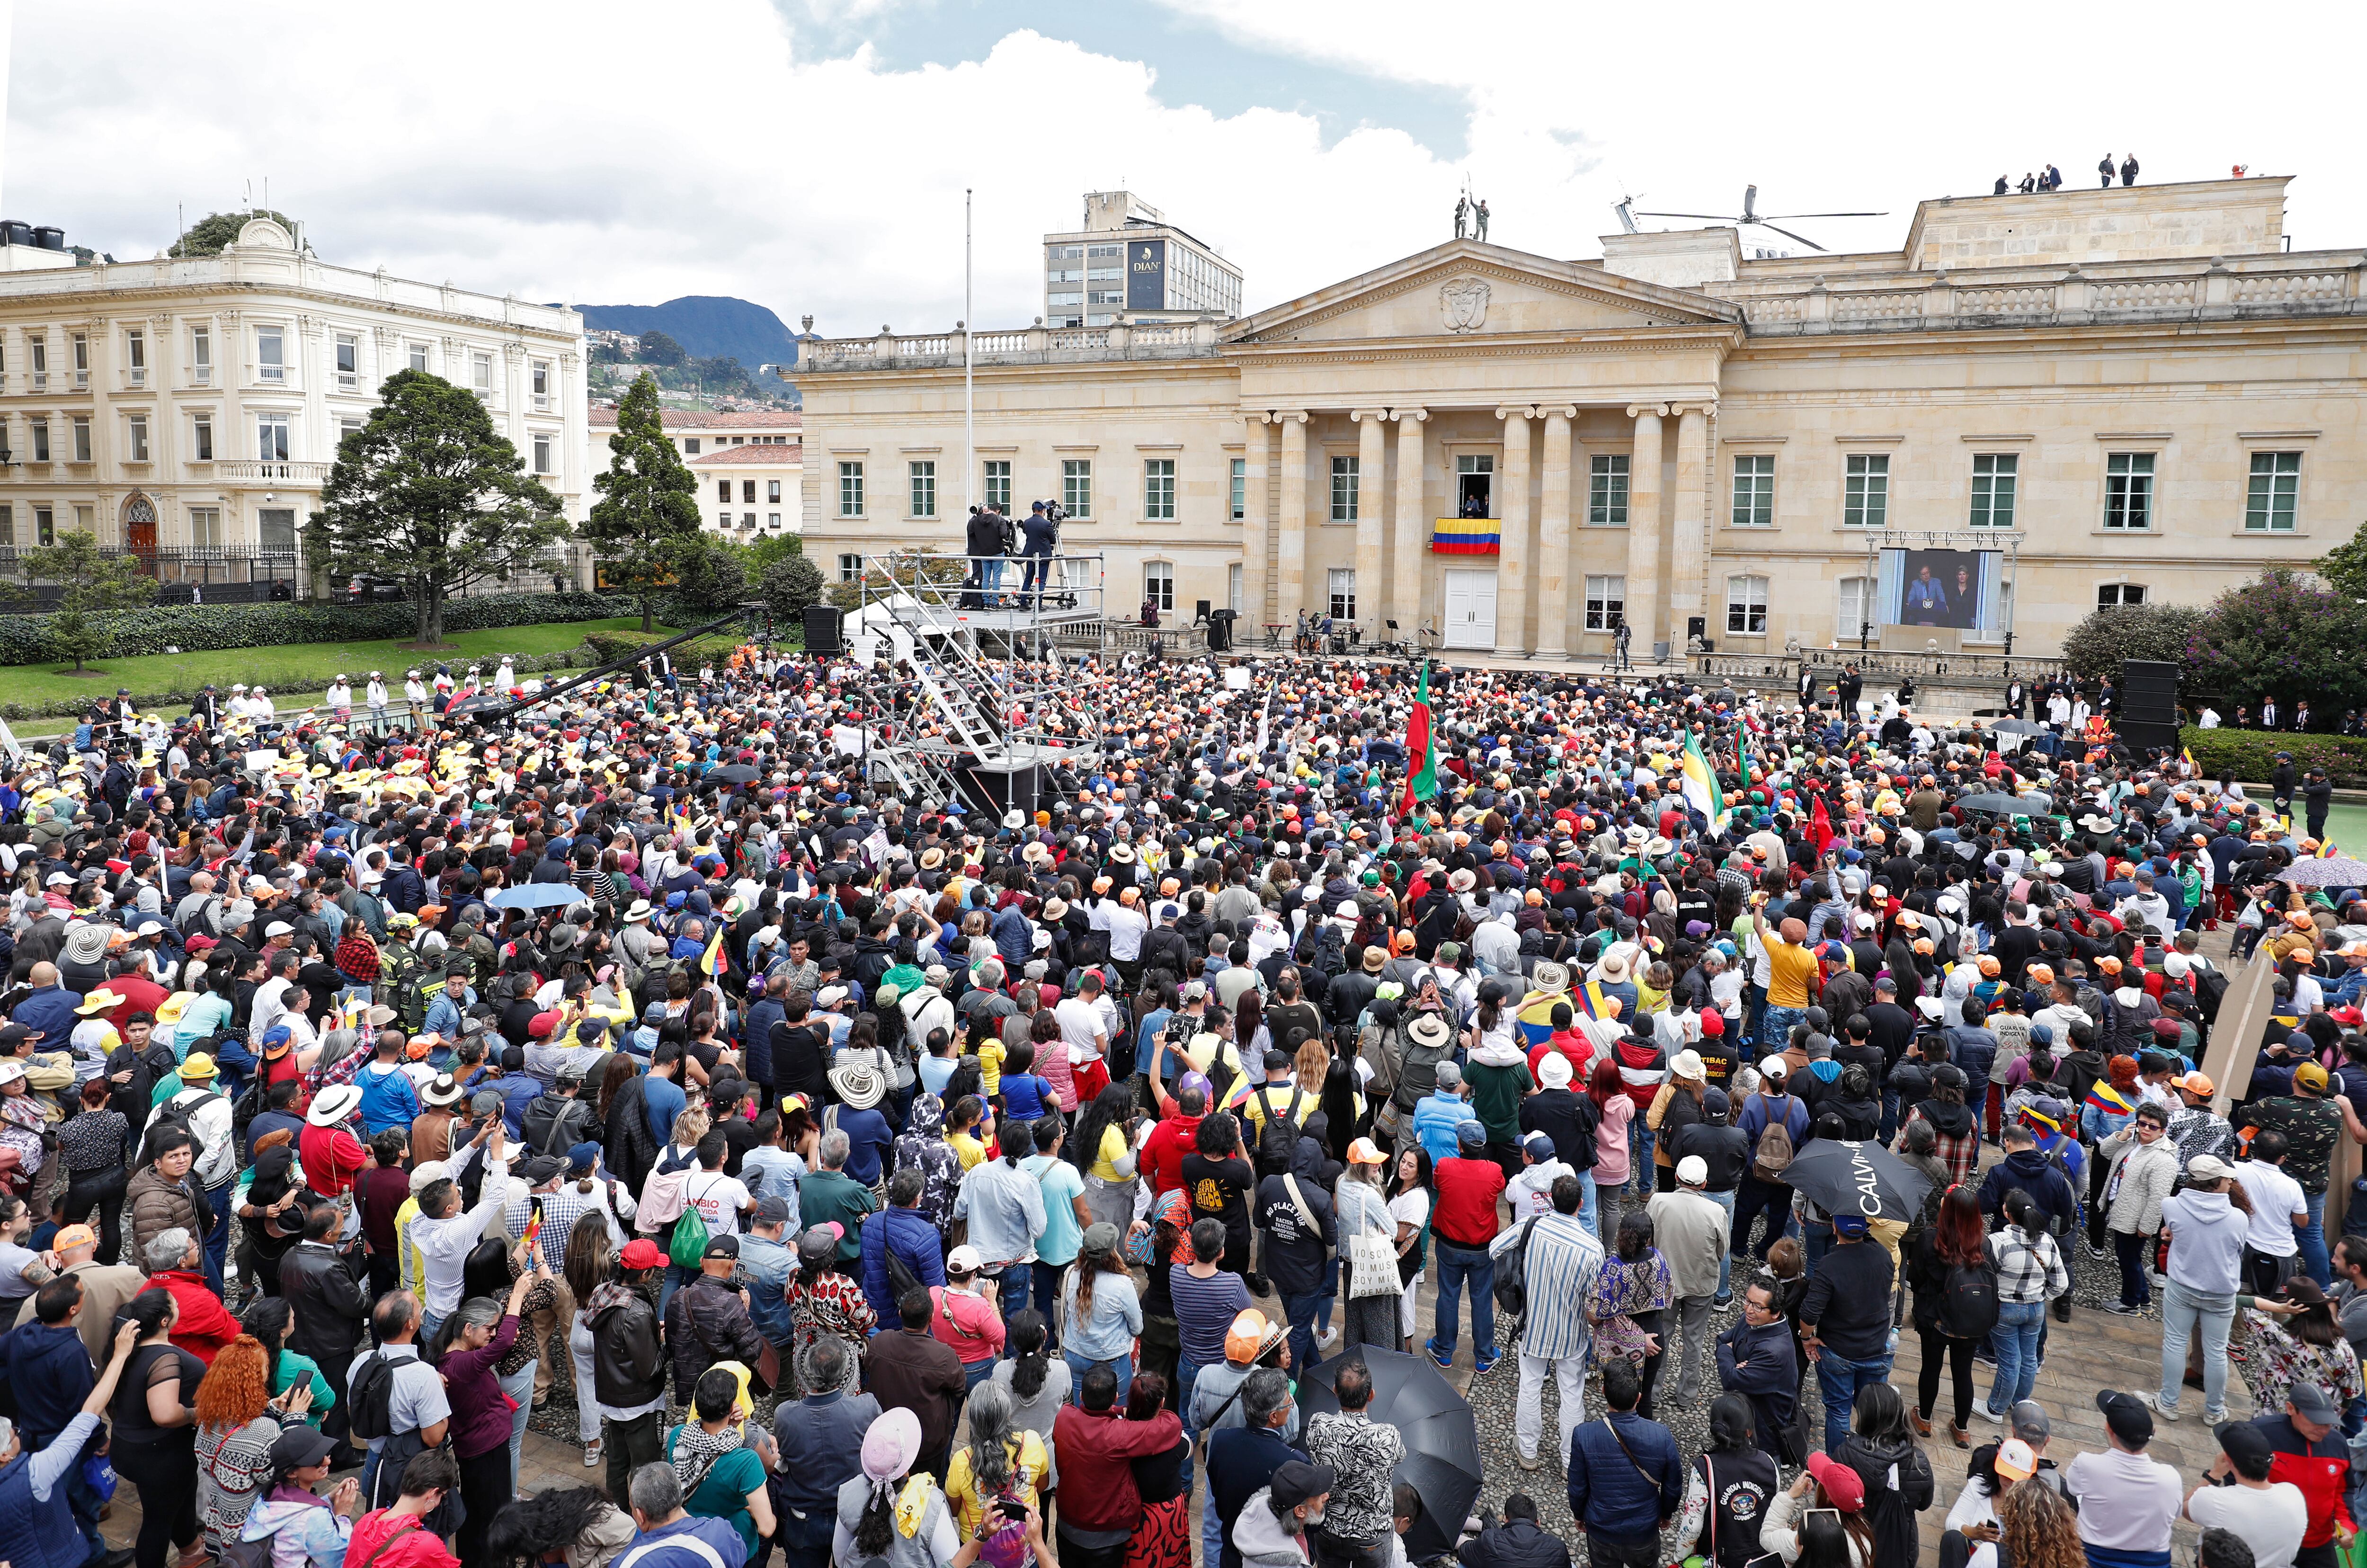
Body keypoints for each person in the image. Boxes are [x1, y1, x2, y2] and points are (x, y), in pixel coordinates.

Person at [0, 1318, 143, 1568]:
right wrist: (120, 1356)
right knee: (83, 1501)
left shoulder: (18, 1339)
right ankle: (97, 1556)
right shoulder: (36, 1473)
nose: (16, 1432)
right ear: (4, 1456)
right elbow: (89, 1411)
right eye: (13, 1436)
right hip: (60, 1560)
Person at [107, 1288, 209, 1568]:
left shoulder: (127, 1352)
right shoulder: (164, 1358)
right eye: (175, 1304)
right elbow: (165, 1414)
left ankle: (191, 1549)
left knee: (182, 1498)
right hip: (160, 1455)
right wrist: (195, 1414)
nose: (179, 1306)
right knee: (158, 1520)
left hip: (136, 1446)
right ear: (165, 1320)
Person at [1051, 1362, 1182, 1568]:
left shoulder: (1064, 1418)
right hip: (1107, 1539)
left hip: (1067, 1526)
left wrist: (1122, 1411)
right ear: (1114, 1398)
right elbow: (1172, 1426)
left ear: (1082, 1397)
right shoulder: (1120, 1434)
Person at [2152, 1152, 2247, 1424]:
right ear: (2217, 1182)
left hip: (2183, 1284)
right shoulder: (2238, 1217)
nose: (2231, 1183)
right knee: (2217, 1350)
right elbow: (2239, 1249)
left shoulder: (2171, 1205)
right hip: (2221, 1290)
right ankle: (2214, 1411)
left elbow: (2175, 1232)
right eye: (2228, 1179)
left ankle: (2168, 1402)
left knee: (2175, 1341)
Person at [1565, 1358, 1682, 1568]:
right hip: (1643, 1530)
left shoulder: (1584, 1435)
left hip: (1601, 1529)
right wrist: (1666, 1514)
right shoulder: (1661, 1435)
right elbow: (1673, 1486)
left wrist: (1579, 1515)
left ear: (1603, 1392)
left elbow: (1577, 1486)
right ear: (1639, 1397)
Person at [1907, 1185, 1989, 1448]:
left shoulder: (1930, 1239)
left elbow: (1915, 1277)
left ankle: (1925, 1419)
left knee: (1931, 1368)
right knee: (1963, 1373)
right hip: (1969, 1320)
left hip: (1935, 1318)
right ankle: (1962, 1429)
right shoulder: (1983, 1244)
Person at [666, 1365, 778, 1558]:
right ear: (732, 1405)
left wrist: (731, 1426)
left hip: (692, 1539)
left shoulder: (678, 1437)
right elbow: (767, 1528)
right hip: (732, 1546)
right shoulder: (745, 1462)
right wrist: (753, 1512)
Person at [1302, 1358, 1404, 1568]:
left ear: (1335, 1391)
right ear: (1371, 1395)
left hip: (1329, 1526)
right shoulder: (1387, 1436)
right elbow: (1400, 1456)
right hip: (1372, 1535)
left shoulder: (1318, 1425)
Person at [2064, 1391, 2184, 1568]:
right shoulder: (2171, 1478)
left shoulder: (2087, 1465)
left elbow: (2073, 1489)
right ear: (2153, 1432)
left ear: (2108, 1429)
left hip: (2092, 1560)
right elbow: (2176, 1513)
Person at [1646, 1155, 1727, 1408]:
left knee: (1661, 1338)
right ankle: (1687, 1396)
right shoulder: (1717, 1211)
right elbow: (1722, 1251)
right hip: (1701, 1285)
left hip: (1665, 1285)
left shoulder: (1658, 1201)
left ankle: (1653, 1394)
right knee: (1694, 1340)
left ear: (1677, 1178)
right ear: (1704, 1184)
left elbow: (1647, 1240)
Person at [1980, 1188, 2068, 1422]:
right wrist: (2042, 1296)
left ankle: (1995, 1409)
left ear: (2006, 1212)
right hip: (2036, 1308)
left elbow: (1986, 1277)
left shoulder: (1998, 1242)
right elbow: (2061, 1283)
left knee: (2009, 1361)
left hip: (2005, 1308)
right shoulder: (2048, 1241)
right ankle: (2018, 1402)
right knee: (2029, 1359)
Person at [1426, 1122, 1506, 1373]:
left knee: (1448, 1296)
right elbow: (1501, 1188)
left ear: (1459, 1145)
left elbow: (1438, 1185)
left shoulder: (1445, 1167)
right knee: (1482, 1300)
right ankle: (1484, 1355)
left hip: (1449, 1244)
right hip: (1482, 1247)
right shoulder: (1494, 1171)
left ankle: (1444, 1349)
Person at [868, 1287, 969, 1484]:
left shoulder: (880, 1342)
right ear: (931, 1318)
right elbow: (959, 1388)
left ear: (900, 1314)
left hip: (887, 1440)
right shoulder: (944, 1357)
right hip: (926, 1446)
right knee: (928, 1495)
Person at [1829, 1383, 1932, 1568]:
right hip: (1900, 1546)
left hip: (1856, 1544)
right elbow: (1924, 1504)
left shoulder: (1845, 1455)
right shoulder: (1919, 1460)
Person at [2184, 1418, 2308, 1568]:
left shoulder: (2215, 1500)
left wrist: (2215, 1474)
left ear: (2228, 1460)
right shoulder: (2294, 1494)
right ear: (2273, 1460)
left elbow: (2184, 1507)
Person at [237, 1425, 364, 1568]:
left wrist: (329, 1499)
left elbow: (298, 1519)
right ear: (291, 1473)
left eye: (326, 1453)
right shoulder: (314, 1517)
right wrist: (343, 1516)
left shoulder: (270, 1494)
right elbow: (340, 1561)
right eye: (316, 1461)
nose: (327, 1461)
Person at [1679, 1395, 1780, 1568]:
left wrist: (1681, 1557)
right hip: (1761, 1557)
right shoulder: (1769, 1463)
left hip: (1720, 1558)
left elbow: (1693, 1525)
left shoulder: (1705, 1468)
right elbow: (1775, 1513)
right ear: (1749, 1431)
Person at [1714, 1275, 1799, 1465]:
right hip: (1743, 1423)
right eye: (1747, 1301)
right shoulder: (1753, 1319)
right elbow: (1722, 1341)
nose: (1749, 1309)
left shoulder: (1774, 1352)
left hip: (1762, 1439)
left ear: (1775, 1313)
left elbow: (1731, 1379)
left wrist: (1732, 1360)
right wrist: (1733, 1360)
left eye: (1758, 1306)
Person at [1757, 1452, 1875, 1568]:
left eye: (1820, 1482)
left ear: (1827, 1499)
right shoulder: (1863, 1537)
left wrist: (1790, 1496)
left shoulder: (1813, 1537)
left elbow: (1767, 1536)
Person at [1235, 1461, 1334, 1568]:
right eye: (1318, 1496)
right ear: (1300, 1511)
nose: (1326, 1496)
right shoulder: (1287, 1565)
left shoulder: (1266, 1513)